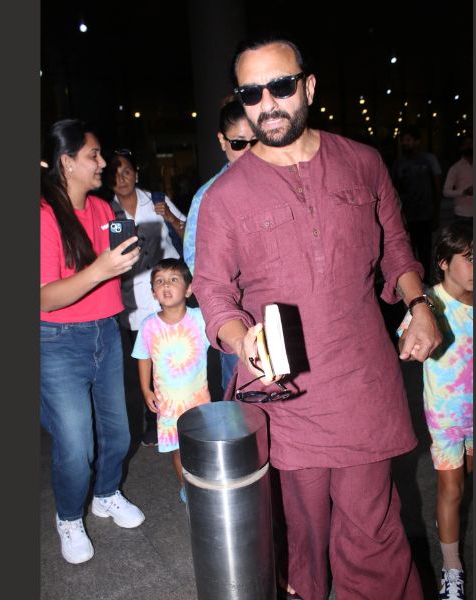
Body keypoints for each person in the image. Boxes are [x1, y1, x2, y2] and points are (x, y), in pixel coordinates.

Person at [192, 36, 442, 600]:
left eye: (280, 87)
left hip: (361, 381)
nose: (267, 104)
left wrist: (419, 305)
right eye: (251, 94)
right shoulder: (225, 197)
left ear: (308, 86)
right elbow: (213, 290)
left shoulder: (363, 162)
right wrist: (241, 340)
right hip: (284, 391)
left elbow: (396, 248)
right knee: (300, 536)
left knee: (373, 530)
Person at [40, 119, 146, 565]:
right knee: (76, 446)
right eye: (94, 155)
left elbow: (112, 264)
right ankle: (68, 516)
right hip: (58, 342)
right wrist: (100, 269)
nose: (104, 163)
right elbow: (44, 297)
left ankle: (105, 494)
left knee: (119, 432)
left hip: (106, 331)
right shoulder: (44, 215)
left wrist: (123, 259)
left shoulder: (103, 208)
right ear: (67, 162)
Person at [399, 221, 473, 600]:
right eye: (470, 258)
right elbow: (406, 336)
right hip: (446, 419)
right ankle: (452, 568)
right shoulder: (430, 303)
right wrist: (411, 341)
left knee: (467, 482)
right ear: (443, 262)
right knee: (451, 489)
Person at [104, 150, 187, 447]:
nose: (122, 178)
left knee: (174, 354)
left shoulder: (156, 200)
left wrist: (170, 218)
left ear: (136, 174)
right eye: (115, 174)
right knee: (145, 360)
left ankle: (183, 410)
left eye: (127, 171)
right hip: (134, 299)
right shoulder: (105, 212)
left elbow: (189, 234)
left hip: (168, 293)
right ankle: (153, 418)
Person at [183, 98, 257, 398]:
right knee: (243, 401)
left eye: (256, 141)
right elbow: (196, 264)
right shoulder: (207, 197)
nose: (249, 151)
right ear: (222, 141)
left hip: (283, 312)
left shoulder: (281, 183)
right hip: (237, 316)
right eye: (239, 143)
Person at [131, 259, 211, 504]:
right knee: (179, 450)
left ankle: (207, 484)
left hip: (199, 405)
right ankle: (187, 488)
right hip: (169, 408)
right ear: (153, 292)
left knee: (203, 448)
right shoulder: (149, 325)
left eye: (174, 279)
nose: (166, 285)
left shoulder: (201, 319)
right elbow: (143, 357)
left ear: (189, 289)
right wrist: (145, 389)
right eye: (159, 281)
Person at [391, 125, 442, 283]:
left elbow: (437, 188)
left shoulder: (429, 159)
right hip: (407, 216)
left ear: (417, 141)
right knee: (408, 253)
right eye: (403, 140)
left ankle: (427, 283)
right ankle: (413, 284)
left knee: (425, 251)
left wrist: (436, 213)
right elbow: (394, 191)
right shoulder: (399, 163)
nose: (405, 143)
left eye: (408, 140)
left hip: (425, 214)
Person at [442, 134, 473, 223]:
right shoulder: (455, 168)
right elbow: (446, 191)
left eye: (471, 143)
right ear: (461, 147)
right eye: (466, 144)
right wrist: (464, 192)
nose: (469, 146)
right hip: (463, 214)